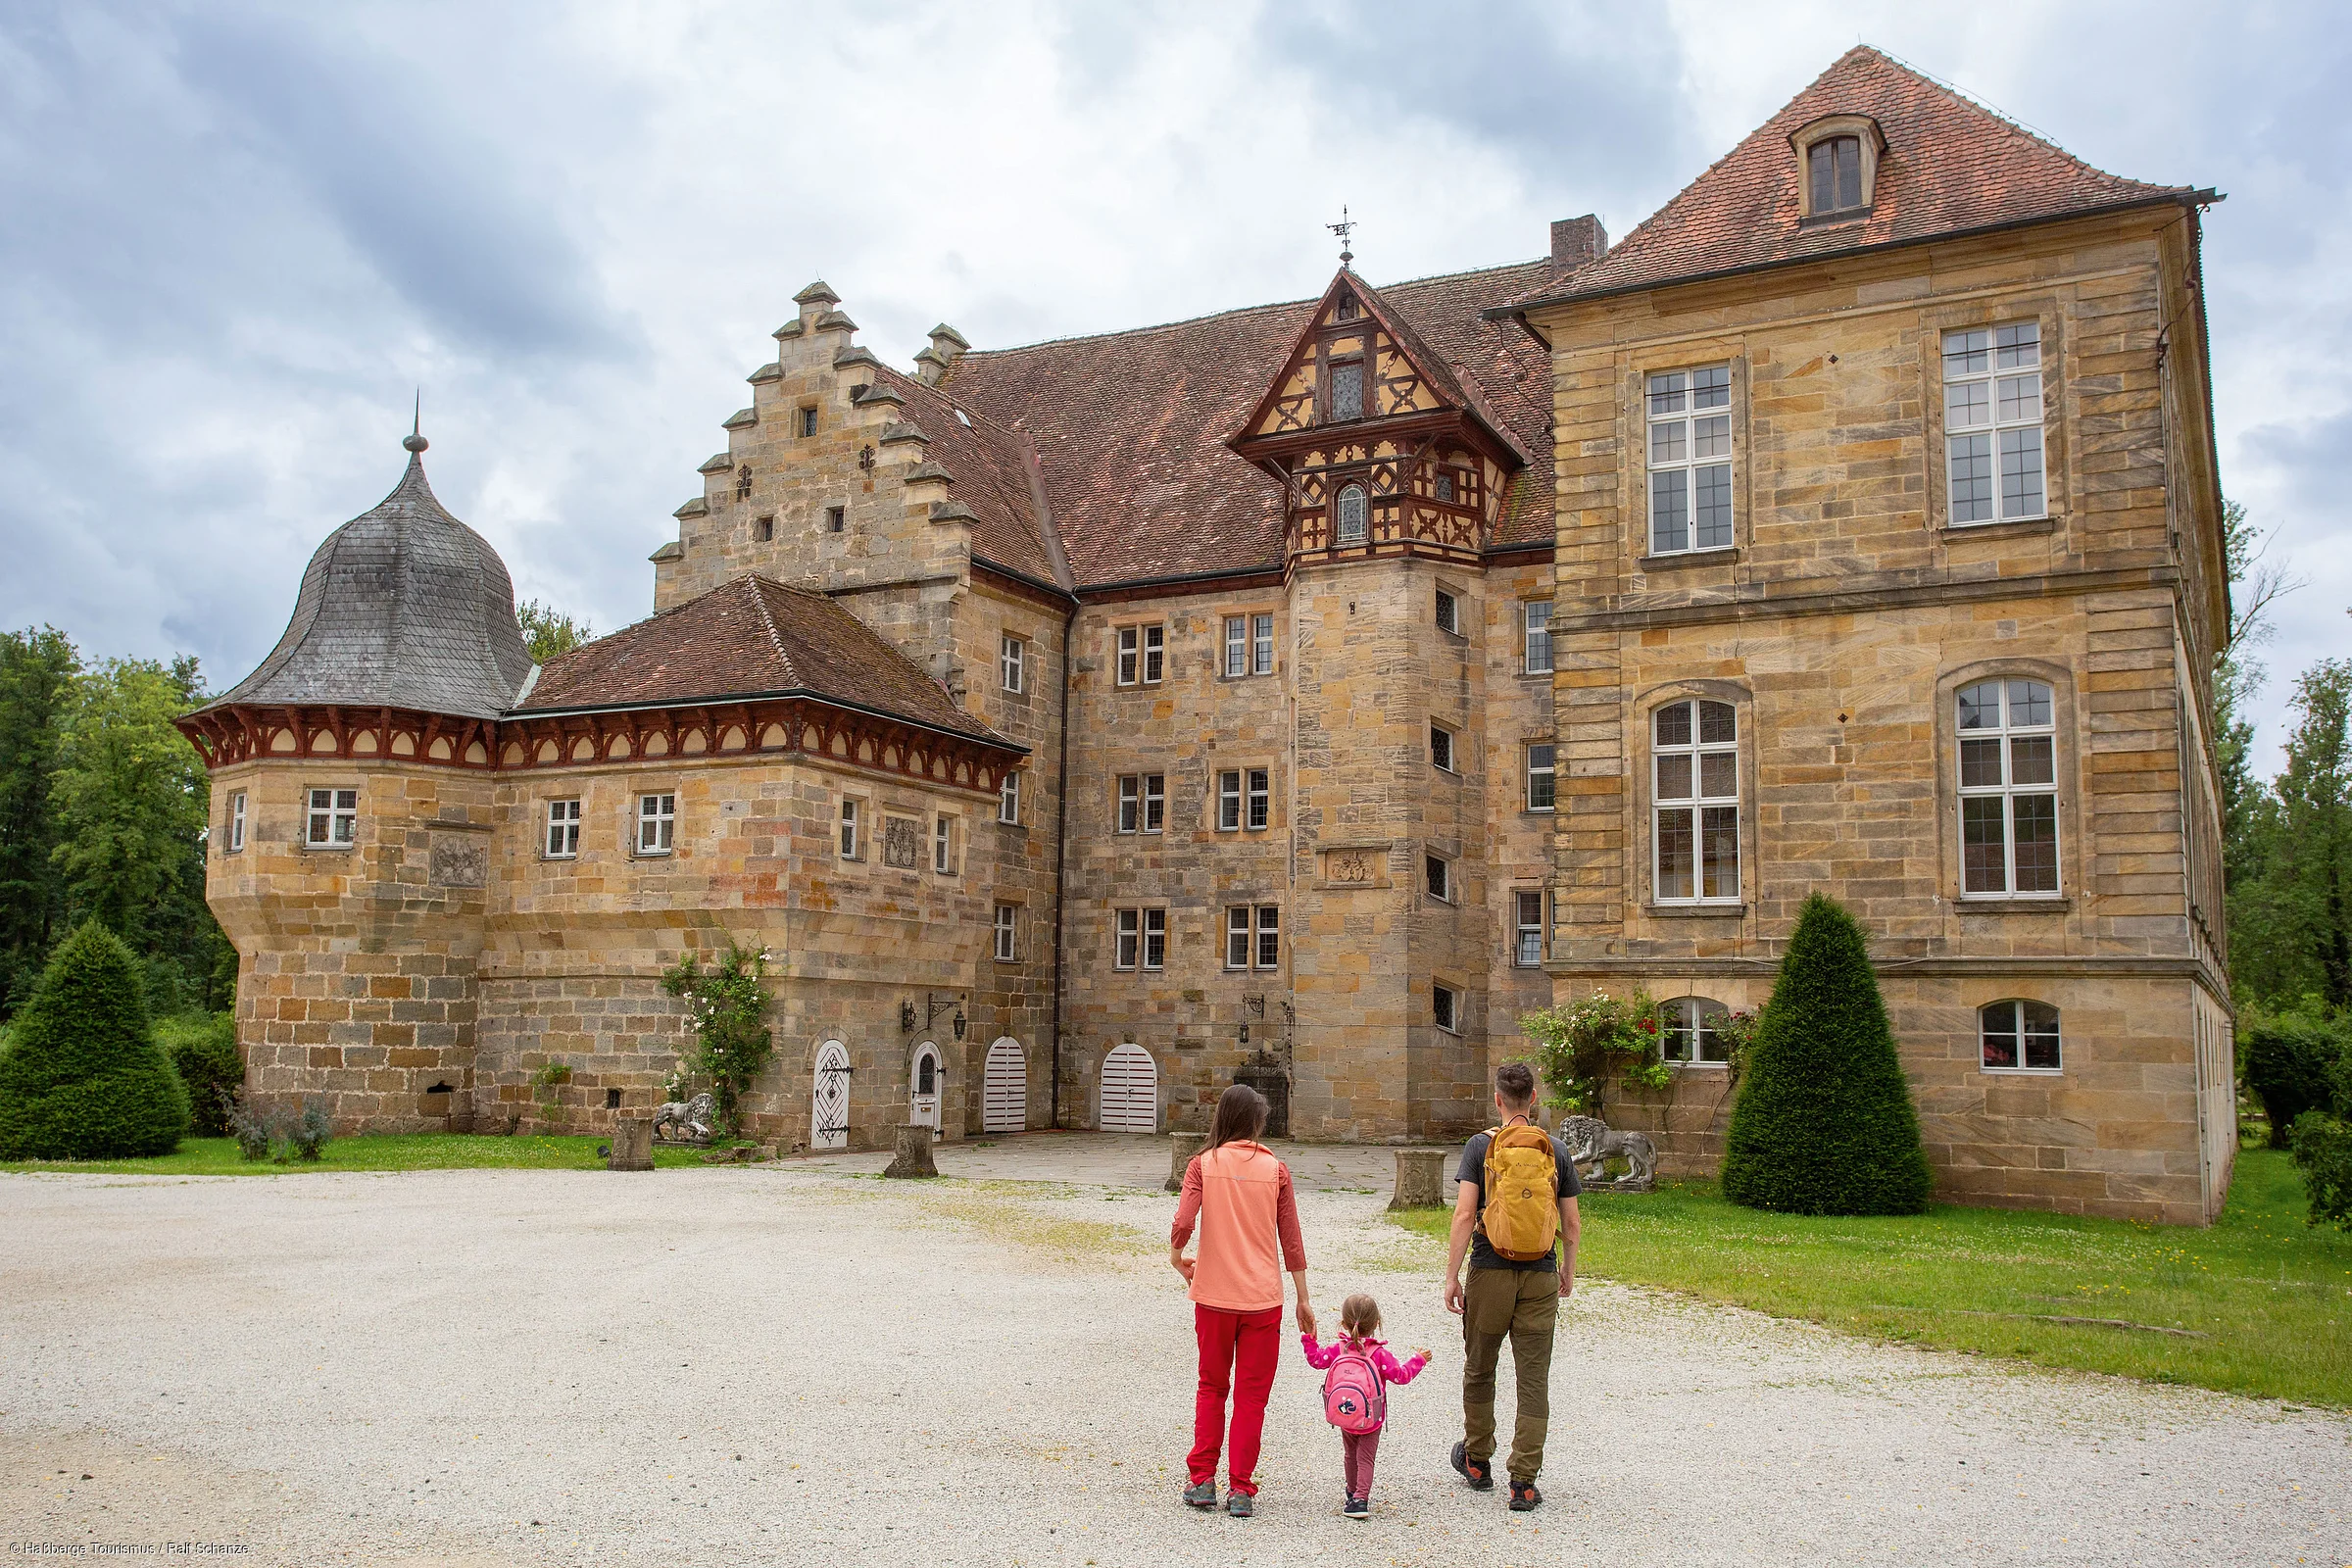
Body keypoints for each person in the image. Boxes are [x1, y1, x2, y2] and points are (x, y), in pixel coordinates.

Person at [1169, 1083, 1315, 1518]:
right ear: (1256, 1122)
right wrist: (1303, 1298)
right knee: (1252, 1397)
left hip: (1213, 1296)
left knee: (1212, 1387)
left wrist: (1177, 1258)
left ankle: (1202, 1481)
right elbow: (1291, 1238)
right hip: (1262, 1299)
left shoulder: (1202, 1164)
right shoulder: (1277, 1171)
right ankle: (1241, 1488)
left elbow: (1182, 1221)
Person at [1442, 1060, 1581, 1512]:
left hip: (1489, 1268)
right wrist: (1568, 1270)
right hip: (1541, 1272)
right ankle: (1523, 1481)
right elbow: (1572, 1223)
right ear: (1534, 1099)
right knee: (1533, 1376)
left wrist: (1451, 1275)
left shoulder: (1479, 1147)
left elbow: (1464, 1214)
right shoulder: (1555, 1148)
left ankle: (1478, 1459)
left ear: (1497, 1099)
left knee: (1481, 1366)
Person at [1300, 1292, 1430, 1520]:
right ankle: (1361, 1499)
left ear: (1343, 1322)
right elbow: (1401, 1375)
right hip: (1371, 1417)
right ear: (1377, 1324)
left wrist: (1309, 1339)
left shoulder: (1339, 1348)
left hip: (1344, 1413)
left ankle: (1351, 1492)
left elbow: (1316, 1361)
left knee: (1350, 1454)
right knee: (1365, 1457)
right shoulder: (1378, 1353)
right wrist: (1418, 1359)